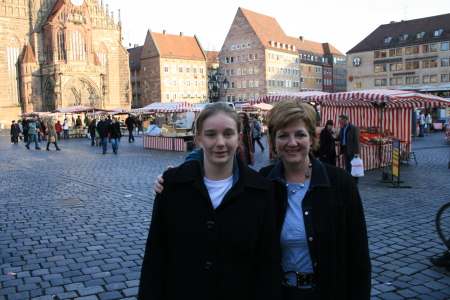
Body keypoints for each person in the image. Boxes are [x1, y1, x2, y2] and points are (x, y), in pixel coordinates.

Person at [154, 101, 372, 299]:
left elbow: (358, 252)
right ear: (273, 141)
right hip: (278, 291)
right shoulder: (264, 182)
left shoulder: (339, 182)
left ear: (312, 138)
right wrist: (180, 175)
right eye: (283, 135)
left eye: (300, 135)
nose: (292, 143)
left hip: (327, 291)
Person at [138, 102, 281, 300]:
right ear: (199, 139)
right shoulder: (171, 185)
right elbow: (156, 255)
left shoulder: (261, 190)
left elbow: (267, 263)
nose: (220, 142)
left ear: (239, 138)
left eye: (228, 134)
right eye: (211, 134)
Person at [335, 114, 361, 185]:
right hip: (345, 149)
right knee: (347, 166)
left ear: (345, 120)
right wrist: (331, 136)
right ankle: (349, 181)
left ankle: (355, 182)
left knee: (354, 167)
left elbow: (356, 141)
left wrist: (356, 152)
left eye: (340, 120)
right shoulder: (342, 128)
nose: (339, 122)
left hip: (352, 150)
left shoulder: (353, 128)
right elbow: (339, 138)